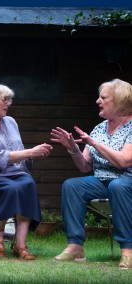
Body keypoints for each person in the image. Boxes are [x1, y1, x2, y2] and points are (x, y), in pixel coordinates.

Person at [51, 79, 132, 269]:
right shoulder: (99, 128)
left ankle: (128, 250)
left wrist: (94, 143)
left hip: (127, 181)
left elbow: (123, 162)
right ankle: (75, 246)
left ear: (119, 101)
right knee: (72, 185)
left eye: (103, 97)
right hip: (103, 181)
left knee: (118, 185)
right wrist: (72, 148)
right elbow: (85, 166)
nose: (98, 101)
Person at [0, 82, 53, 260]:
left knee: (27, 184)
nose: (9, 103)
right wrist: (30, 152)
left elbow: (17, 150)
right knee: (12, 188)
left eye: (10, 99)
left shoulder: (11, 122)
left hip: (15, 173)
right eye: (4, 99)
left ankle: (20, 245)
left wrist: (33, 156)